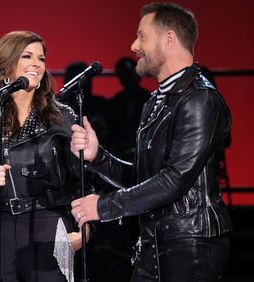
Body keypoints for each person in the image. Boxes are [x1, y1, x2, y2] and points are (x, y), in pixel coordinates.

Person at [70, 3, 232, 281]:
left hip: (189, 248)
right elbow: (145, 178)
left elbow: (175, 180)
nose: (134, 45)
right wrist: (98, 157)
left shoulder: (199, 100)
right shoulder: (156, 102)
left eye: (142, 36)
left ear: (168, 39)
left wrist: (104, 206)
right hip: (156, 243)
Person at [0, 30, 84, 282]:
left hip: (47, 223)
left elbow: (83, 181)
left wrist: (84, 231)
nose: (36, 64)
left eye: (41, 58)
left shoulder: (61, 117)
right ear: (6, 65)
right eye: (27, 56)